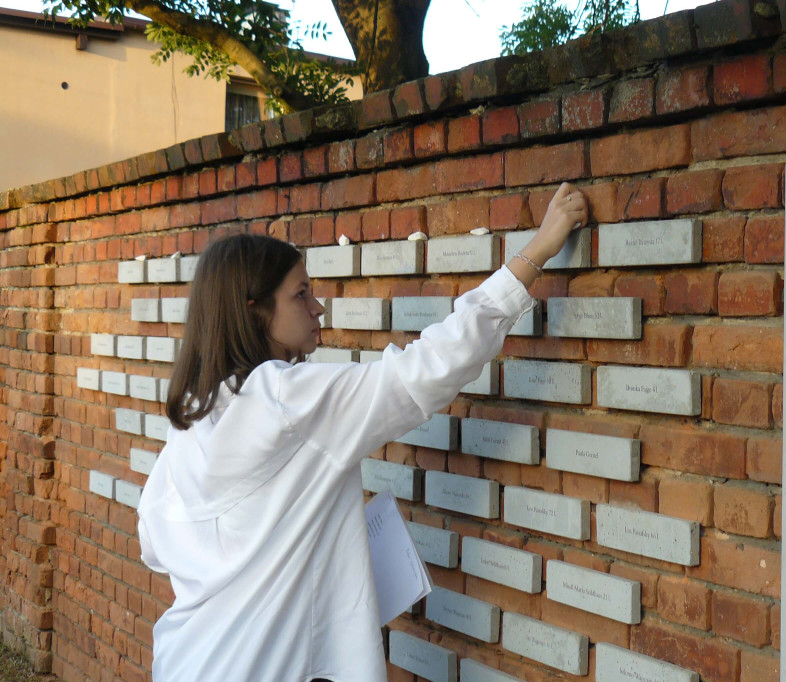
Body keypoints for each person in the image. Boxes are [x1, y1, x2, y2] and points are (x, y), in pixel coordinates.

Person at [136, 182, 589, 682]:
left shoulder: (195, 413)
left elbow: (153, 545)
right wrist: (538, 250)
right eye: (301, 294)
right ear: (254, 310)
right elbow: (424, 371)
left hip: (185, 661)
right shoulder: (285, 400)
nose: (318, 308)